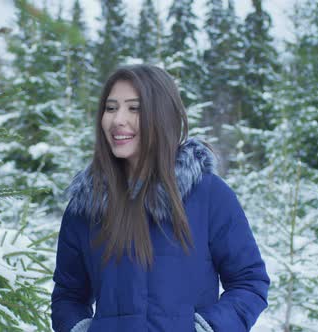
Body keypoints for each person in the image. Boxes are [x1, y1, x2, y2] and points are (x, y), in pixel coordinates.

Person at [51, 64, 270, 332]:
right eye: (111, 108)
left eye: (134, 108)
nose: (118, 119)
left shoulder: (209, 195)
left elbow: (250, 282)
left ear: (161, 115)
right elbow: (68, 295)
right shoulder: (87, 205)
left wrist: (207, 328)